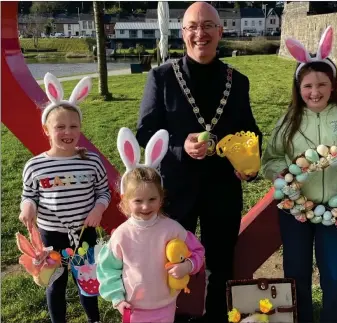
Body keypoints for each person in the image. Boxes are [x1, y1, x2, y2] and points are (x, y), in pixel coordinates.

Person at [136, 2, 262, 322]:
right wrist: (180, 147)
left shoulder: (239, 80)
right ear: (183, 33)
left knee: (220, 265)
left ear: (220, 31)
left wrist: (249, 162)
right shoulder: (161, 77)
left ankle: (217, 317)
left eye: (207, 26)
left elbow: (250, 131)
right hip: (176, 190)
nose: (199, 33)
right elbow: (145, 133)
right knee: (171, 263)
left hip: (223, 190)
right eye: (192, 26)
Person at [261, 26, 337, 323]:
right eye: (308, 86)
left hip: (335, 210)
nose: (315, 92)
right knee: (296, 272)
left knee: (335, 274)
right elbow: (269, 160)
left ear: (333, 85)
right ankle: (300, 318)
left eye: (322, 84)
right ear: (299, 88)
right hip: (294, 210)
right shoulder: (288, 120)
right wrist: (280, 173)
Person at [18, 73, 110, 323]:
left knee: (88, 282)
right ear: (46, 130)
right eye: (60, 127)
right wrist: (28, 207)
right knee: (55, 283)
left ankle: (94, 319)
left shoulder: (91, 161)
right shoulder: (35, 166)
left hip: (84, 234)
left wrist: (98, 209)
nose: (67, 132)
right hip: (51, 236)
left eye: (73, 126)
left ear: (80, 128)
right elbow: (30, 194)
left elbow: (104, 190)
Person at [96, 127, 205, 323]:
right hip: (133, 307)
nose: (146, 206)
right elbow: (108, 270)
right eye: (138, 201)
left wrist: (187, 266)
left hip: (166, 304)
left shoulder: (172, 229)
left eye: (152, 199)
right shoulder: (121, 235)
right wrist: (117, 299)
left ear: (161, 198)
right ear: (125, 201)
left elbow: (198, 252)